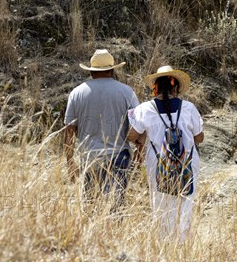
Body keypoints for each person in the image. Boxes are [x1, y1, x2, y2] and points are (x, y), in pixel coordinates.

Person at [127, 65, 204, 240]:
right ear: (175, 87)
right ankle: (182, 243)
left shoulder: (145, 109)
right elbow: (199, 138)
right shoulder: (189, 108)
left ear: (155, 87)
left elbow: (131, 136)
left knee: (161, 204)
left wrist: (143, 137)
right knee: (185, 204)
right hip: (187, 162)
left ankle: (164, 244)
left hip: (157, 163)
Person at [64, 49, 140, 207]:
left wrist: (70, 162)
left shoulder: (77, 93)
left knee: (91, 207)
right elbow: (137, 126)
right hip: (118, 157)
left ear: (91, 71)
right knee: (115, 208)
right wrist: (140, 150)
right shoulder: (127, 92)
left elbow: (69, 131)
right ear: (112, 70)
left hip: (89, 158)